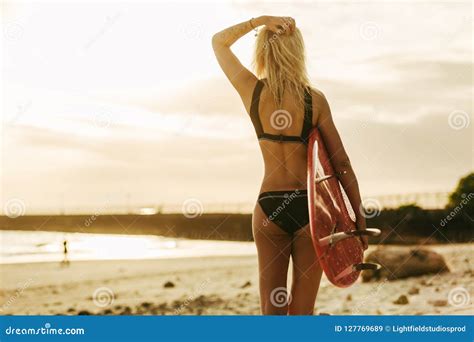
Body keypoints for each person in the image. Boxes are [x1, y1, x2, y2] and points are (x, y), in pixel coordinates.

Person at [212, 16, 368, 315]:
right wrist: (358, 222)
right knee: (301, 314)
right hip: (309, 212)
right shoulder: (314, 100)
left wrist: (260, 21)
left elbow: (219, 41)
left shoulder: (252, 92)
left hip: (268, 208)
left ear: (263, 52)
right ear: (298, 52)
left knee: (272, 313)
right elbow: (341, 163)